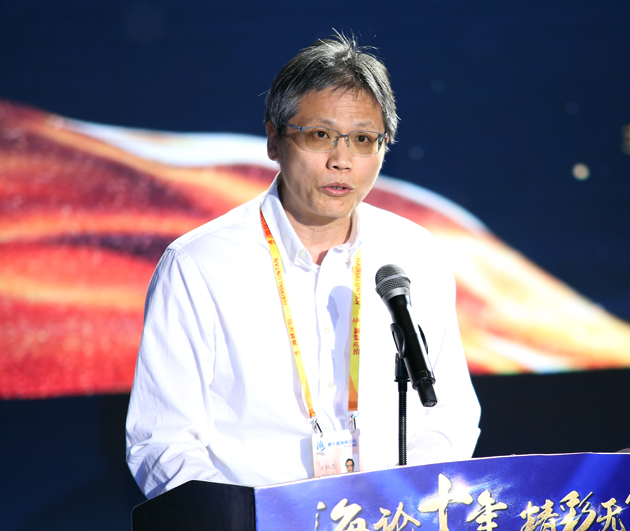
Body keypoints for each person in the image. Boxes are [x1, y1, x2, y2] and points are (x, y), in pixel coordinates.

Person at [125, 34, 481, 499]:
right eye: (320, 135)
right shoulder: (199, 264)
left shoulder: (415, 254)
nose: (342, 161)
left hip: (392, 527)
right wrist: (246, 526)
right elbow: (162, 441)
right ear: (274, 139)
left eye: (363, 140)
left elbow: (448, 415)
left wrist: (408, 506)